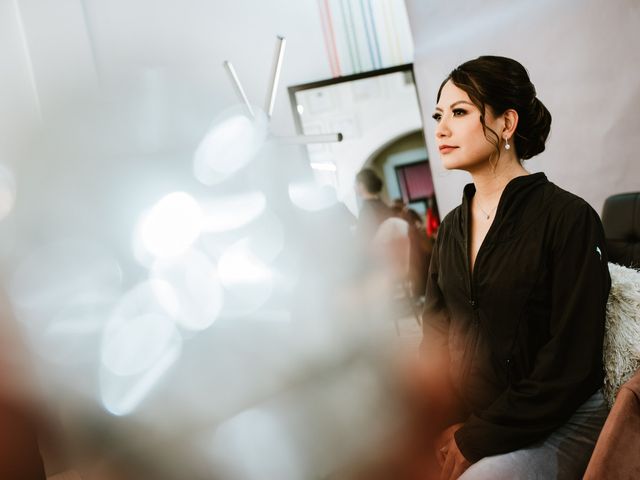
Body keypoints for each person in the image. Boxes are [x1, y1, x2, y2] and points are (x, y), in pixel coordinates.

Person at [418, 56, 611, 479]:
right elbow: (436, 332)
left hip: (559, 417)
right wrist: (444, 422)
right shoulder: (451, 228)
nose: (441, 129)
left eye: (459, 112)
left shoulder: (568, 218)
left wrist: (474, 439)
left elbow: (570, 365)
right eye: (438, 115)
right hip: (476, 418)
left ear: (506, 124)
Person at [354, 168, 392, 244]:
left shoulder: (367, 210)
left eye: (355, 183)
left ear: (361, 185)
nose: (354, 187)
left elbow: (363, 241)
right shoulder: (383, 205)